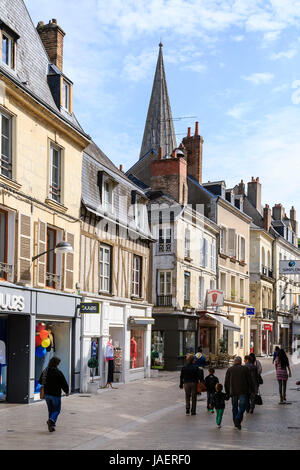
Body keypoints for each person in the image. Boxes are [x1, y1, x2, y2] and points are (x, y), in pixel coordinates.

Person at [39, 357, 69, 432]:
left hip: (47, 394)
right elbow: (63, 383)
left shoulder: (45, 371)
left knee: (51, 410)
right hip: (55, 394)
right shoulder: (58, 372)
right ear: (56, 364)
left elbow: (40, 381)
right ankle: (51, 420)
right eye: (58, 364)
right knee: (56, 410)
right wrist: (67, 391)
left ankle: (51, 426)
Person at [225, 356, 255, 430]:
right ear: (241, 362)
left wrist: (227, 392)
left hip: (233, 391)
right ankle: (238, 418)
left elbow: (226, 382)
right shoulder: (245, 369)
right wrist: (252, 390)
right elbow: (249, 380)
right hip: (243, 391)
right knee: (242, 406)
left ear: (234, 361)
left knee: (234, 407)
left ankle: (236, 422)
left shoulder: (230, 369)